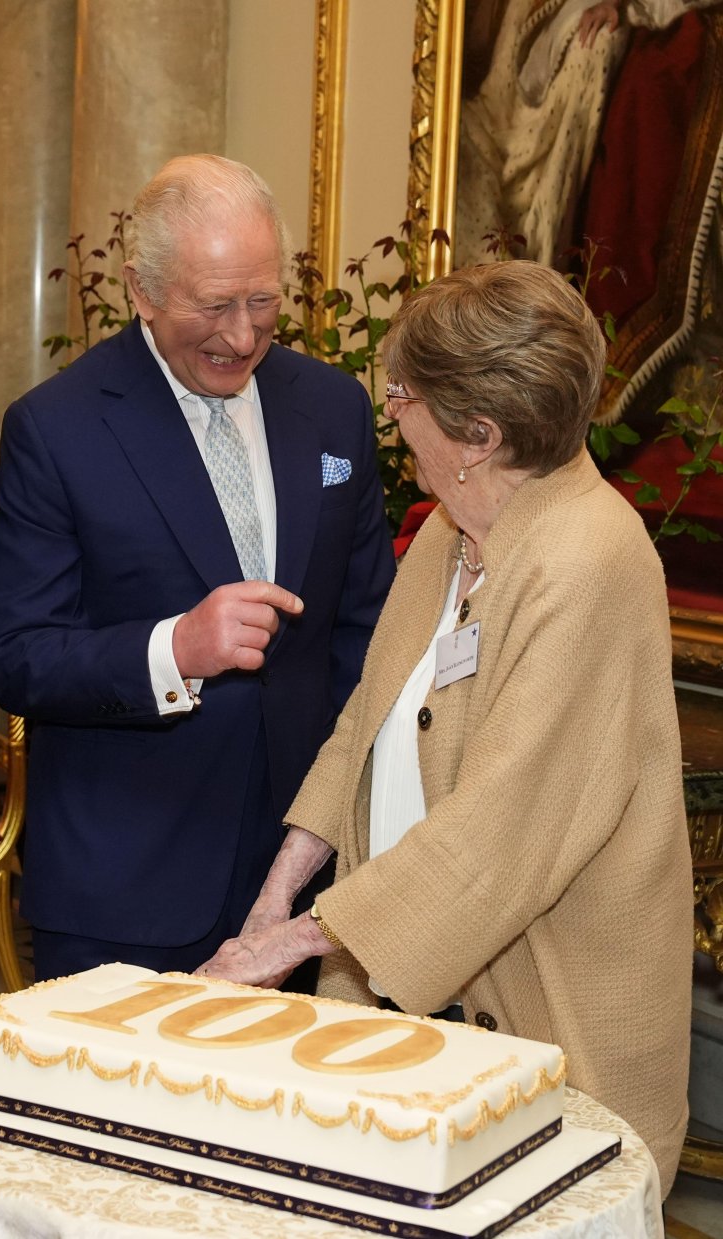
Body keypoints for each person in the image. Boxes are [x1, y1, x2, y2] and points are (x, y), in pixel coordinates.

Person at [197, 260, 692, 1197]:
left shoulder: (590, 559)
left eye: (403, 393)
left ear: (478, 433)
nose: (389, 411)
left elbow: (501, 830)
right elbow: (362, 726)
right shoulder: (452, 529)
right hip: (415, 1013)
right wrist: (271, 904)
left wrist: (294, 942)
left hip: (554, 1023)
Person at [0, 154, 395, 982]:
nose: (242, 336)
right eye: (213, 306)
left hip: (304, 877)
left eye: (264, 302)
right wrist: (174, 651)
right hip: (127, 887)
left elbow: (365, 628)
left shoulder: (333, 407)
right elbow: (15, 653)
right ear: (142, 290)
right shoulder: (57, 429)